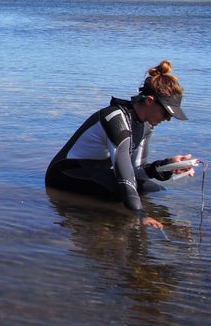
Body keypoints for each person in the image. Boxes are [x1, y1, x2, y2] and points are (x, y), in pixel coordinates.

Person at [44, 60, 194, 229]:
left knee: (156, 190)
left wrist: (167, 166)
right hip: (64, 173)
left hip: (97, 171)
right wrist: (140, 214)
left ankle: (128, 220)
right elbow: (124, 174)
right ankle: (113, 225)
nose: (167, 119)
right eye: (166, 112)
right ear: (150, 101)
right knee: (123, 191)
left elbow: (137, 170)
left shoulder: (146, 126)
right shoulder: (116, 120)